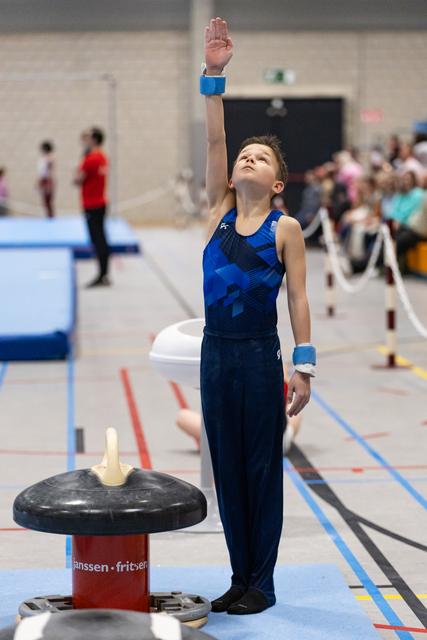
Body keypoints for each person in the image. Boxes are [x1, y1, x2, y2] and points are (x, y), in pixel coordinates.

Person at [200, 18, 315, 615]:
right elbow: (216, 142)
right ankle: (238, 574)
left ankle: (262, 584)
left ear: (277, 183)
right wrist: (214, 76)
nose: (245, 159)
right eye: (243, 155)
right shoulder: (219, 210)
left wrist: (304, 368)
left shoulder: (284, 228)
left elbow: (297, 300)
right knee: (227, 471)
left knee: (260, 469)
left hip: (256, 355)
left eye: (259, 157)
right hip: (214, 355)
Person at [74, 127, 110, 287]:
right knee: (101, 238)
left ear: (94, 140)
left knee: (98, 240)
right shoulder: (102, 157)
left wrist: (81, 163)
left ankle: (102, 275)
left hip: (92, 204)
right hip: (100, 203)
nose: (84, 140)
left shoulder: (91, 159)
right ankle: (104, 273)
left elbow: (77, 180)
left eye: (87, 137)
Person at [37, 140, 55, 218]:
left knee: (48, 201)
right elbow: (41, 172)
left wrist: (48, 184)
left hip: (47, 180)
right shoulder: (43, 158)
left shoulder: (49, 158)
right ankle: (48, 216)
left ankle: (50, 217)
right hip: (43, 179)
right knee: (45, 201)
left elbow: (49, 171)